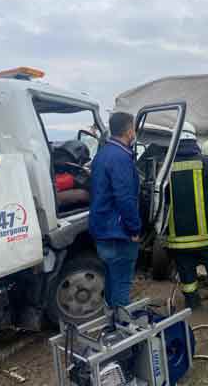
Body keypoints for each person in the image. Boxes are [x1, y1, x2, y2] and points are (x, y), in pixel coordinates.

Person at [166, 123, 208, 312]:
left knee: (186, 271)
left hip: (178, 237)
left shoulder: (165, 167)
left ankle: (192, 304)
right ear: (194, 140)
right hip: (207, 234)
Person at [90, 112, 141, 309]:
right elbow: (125, 198)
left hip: (102, 229)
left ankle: (111, 323)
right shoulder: (121, 158)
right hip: (118, 233)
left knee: (111, 280)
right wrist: (134, 229)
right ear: (129, 131)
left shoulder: (102, 154)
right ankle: (122, 328)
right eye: (133, 128)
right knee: (121, 284)